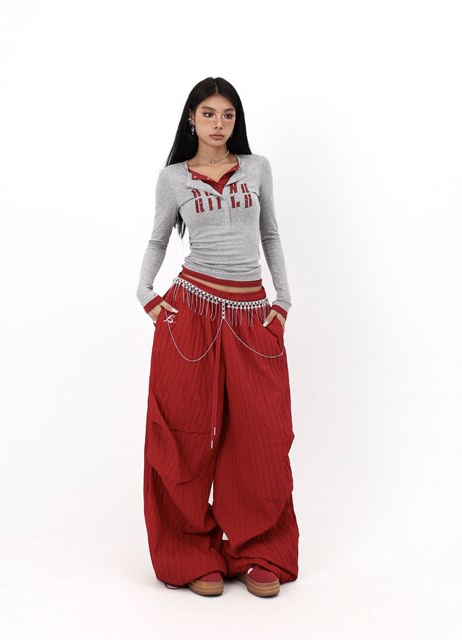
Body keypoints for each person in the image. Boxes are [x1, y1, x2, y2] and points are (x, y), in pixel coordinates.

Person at [136, 77, 299, 598]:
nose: (219, 123)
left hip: (253, 317)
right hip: (192, 314)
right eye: (208, 113)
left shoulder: (257, 168)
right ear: (191, 118)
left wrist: (283, 302)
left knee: (261, 436)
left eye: (228, 114)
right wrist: (146, 294)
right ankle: (190, 550)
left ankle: (258, 550)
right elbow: (158, 240)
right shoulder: (173, 178)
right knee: (183, 434)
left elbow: (270, 233)